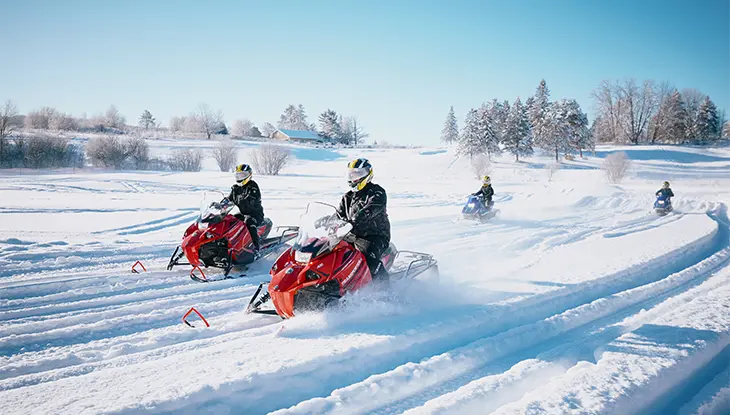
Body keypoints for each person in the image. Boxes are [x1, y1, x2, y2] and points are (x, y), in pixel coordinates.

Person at [335, 158, 391, 281]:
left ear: (367, 174)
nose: (354, 178)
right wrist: (324, 221)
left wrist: (354, 220)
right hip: (351, 234)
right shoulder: (348, 196)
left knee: (368, 260)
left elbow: (371, 209)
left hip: (375, 236)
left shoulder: (377, 192)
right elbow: (339, 215)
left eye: (358, 174)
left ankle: (387, 291)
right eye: (351, 174)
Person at [226, 164, 264, 253]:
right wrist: (221, 204)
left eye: (242, 175)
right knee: (230, 221)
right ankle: (230, 244)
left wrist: (247, 199)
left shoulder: (253, 186)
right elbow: (229, 198)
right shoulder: (236, 188)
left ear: (248, 175)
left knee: (249, 222)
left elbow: (253, 198)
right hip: (243, 214)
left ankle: (256, 248)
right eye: (238, 175)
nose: (240, 178)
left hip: (255, 214)